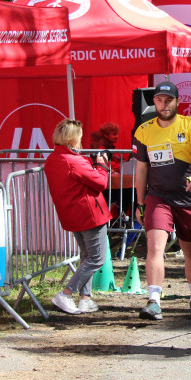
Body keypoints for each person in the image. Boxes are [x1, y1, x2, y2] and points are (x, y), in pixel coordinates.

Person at [132, 80, 191, 321]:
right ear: (153, 101)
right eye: (159, 100)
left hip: (188, 197)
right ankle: (154, 300)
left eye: (168, 100)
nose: (163, 105)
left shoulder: (190, 124)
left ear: (177, 102)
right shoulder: (144, 130)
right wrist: (140, 202)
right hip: (158, 197)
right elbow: (142, 169)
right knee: (155, 246)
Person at [44, 119, 112, 315]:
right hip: (89, 214)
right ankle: (66, 294)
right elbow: (100, 182)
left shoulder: (54, 159)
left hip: (73, 214)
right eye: (80, 138)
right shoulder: (73, 161)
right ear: (73, 140)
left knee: (86, 256)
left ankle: (85, 299)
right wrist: (101, 166)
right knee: (97, 258)